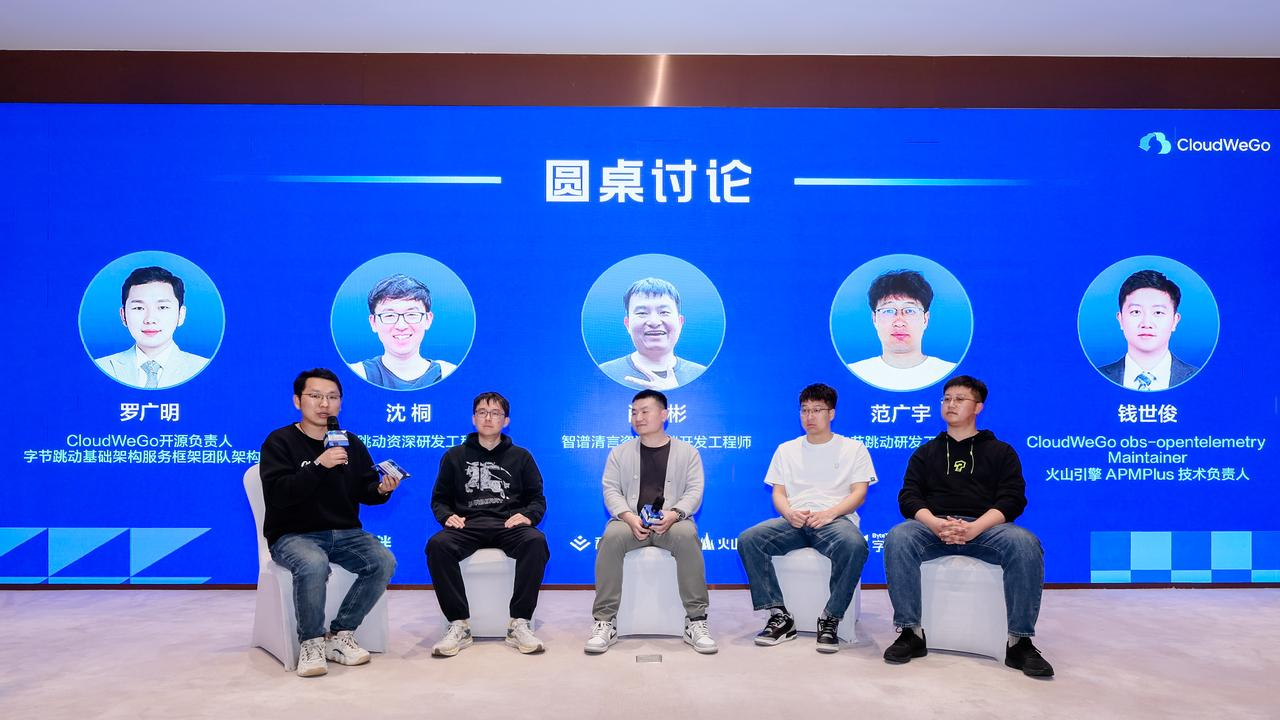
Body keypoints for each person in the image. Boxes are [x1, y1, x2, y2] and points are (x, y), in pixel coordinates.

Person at [882, 375, 1053, 678]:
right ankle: (910, 633)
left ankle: (1019, 642)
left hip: (986, 530)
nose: (951, 404)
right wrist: (935, 523)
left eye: (960, 399)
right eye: (946, 399)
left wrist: (975, 528)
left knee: (1025, 543)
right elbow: (908, 497)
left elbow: (1013, 500)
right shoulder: (926, 452)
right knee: (899, 536)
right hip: (935, 526)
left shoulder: (1001, 451)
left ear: (978, 407)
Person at [259, 368, 400, 677]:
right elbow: (280, 494)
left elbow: (364, 491)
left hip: (345, 532)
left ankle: (340, 634)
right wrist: (318, 465)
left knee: (382, 561)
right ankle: (311, 642)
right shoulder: (279, 441)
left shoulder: (349, 442)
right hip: (293, 534)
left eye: (333, 397)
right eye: (316, 396)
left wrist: (381, 489)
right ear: (298, 401)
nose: (325, 404)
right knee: (313, 563)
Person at [737, 383, 875, 653]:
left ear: (831, 413)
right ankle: (779, 615)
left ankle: (831, 617)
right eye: (804, 410)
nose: (809, 416)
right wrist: (789, 512)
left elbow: (859, 493)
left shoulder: (853, 448)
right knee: (749, 539)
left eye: (817, 410)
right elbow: (778, 493)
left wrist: (830, 513)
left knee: (855, 545)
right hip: (795, 520)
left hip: (835, 520)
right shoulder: (786, 449)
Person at [584, 389, 716, 654]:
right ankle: (605, 621)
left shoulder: (688, 452)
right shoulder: (619, 453)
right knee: (611, 537)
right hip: (630, 522)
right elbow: (611, 490)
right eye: (634, 412)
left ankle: (696, 620)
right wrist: (628, 517)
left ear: (664, 415)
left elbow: (694, 491)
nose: (638, 417)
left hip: (673, 522)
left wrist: (674, 514)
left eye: (645, 411)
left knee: (687, 535)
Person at [425, 391, 550, 657]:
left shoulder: (522, 456)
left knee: (536, 541)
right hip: (468, 525)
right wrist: (446, 516)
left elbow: (537, 499)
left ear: (506, 421)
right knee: (437, 545)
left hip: (508, 525)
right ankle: (458, 624)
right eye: (482, 412)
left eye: (495, 413)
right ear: (473, 419)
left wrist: (528, 516)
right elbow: (439, 499)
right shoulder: (454, 456)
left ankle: (519, 623)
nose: (488, 418)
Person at [94, 266, 210, 388]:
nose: (150, 319)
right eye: (139, 308)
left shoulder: (203, 368)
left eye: (163, 307)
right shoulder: (101, 367)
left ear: (181, 315)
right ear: (123, 316)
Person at [847, 270, 956, 391]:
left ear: (925, 319)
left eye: (909, 310)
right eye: (889, 311)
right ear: (874, 319)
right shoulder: (856, 372)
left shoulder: (949, 372)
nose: (899, 322)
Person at [348, 274, 457, 389]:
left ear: (428, 320)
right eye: (389, 315)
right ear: (373, 322)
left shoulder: (449, 374)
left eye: (411, 314)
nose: (401, 326)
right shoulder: (355, 375)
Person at [598, 277, 707, 390]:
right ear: (627, 324)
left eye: (664, 312)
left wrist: (674, 391)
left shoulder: (703, 376)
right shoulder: (603, 374)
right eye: (642, 313)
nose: (654, 322)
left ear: (680, 323)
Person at [1097, 269, 1198, 390]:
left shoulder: (1200, 378)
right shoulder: (1095, 378)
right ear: (1121, 320)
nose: (1146, 324)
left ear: (1174, 321)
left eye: (1158, 312)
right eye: (1136, 312)